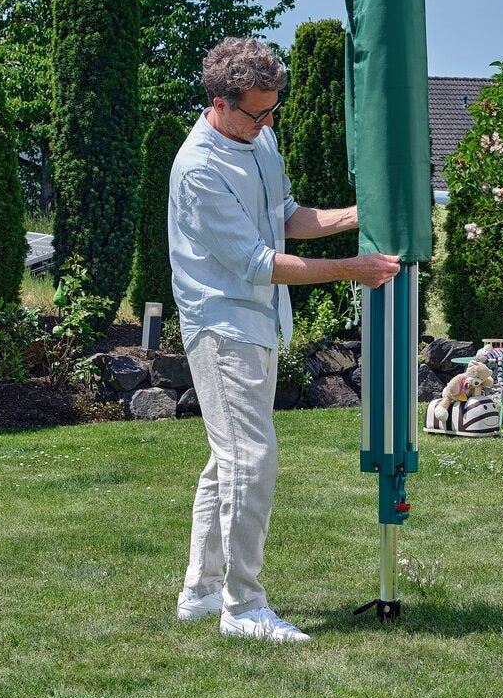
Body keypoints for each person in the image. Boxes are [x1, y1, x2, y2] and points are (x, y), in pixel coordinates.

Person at [169, 37, 401, 643]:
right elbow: (257, 261)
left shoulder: (259, 138)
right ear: (219, 103)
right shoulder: (197, 169)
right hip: (221, 326)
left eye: (273, 111)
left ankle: (201, 592)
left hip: (259, 322)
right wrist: (354, 268)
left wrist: (358, 214)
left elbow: (288, 218)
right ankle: (242, 608)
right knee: (252, 458)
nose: (268, 123)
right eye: (257, 113)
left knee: (229, 460)